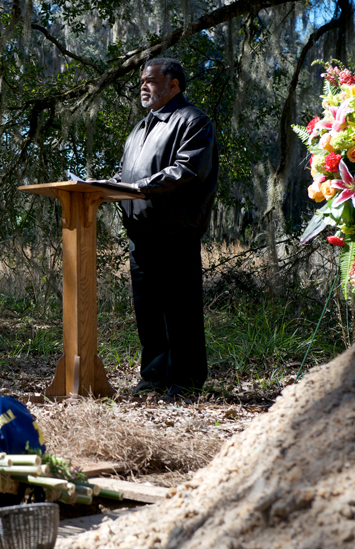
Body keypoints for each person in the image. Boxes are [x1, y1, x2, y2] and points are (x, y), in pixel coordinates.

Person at [111, 57, 219, 400]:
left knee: (180, 312)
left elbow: (187, 171)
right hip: (140, 235)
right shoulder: (140, 128)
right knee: (149, 313)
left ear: (174, 84)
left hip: (174, 233)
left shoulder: (193, 121)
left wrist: (138, 186)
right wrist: (102, 186)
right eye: (141, 81)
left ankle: (185, 383)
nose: (144, 86)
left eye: (151, 80)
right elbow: (125, 175)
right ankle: (153, 377)